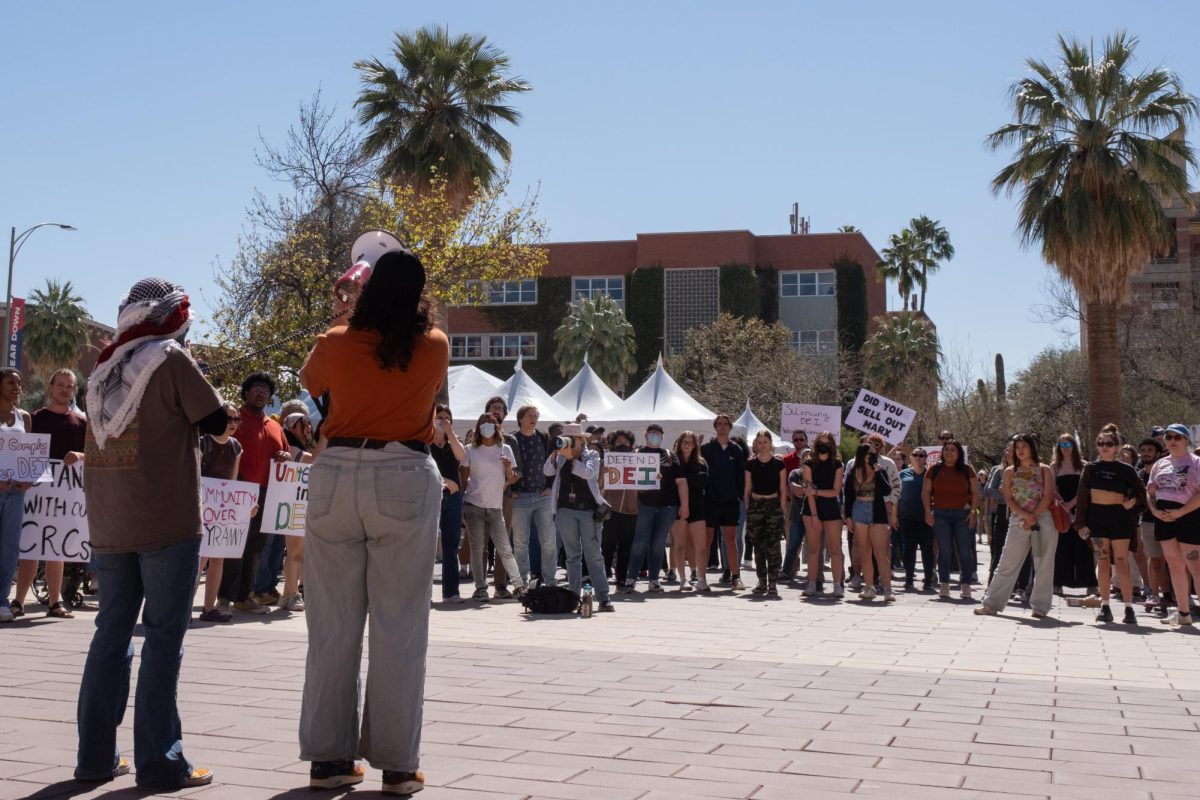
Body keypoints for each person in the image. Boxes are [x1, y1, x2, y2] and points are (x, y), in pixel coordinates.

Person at [297, 246, 445, 794]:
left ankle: (328, 759)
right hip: (404, 470)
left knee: (331, 624)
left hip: (337, 471)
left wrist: (343, 318)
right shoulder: (435, 345)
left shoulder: (334, 342)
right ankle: (397, 765)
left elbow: (313, 387)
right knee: (400, 624)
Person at [75, 278, 222, 788]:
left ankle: (94, 759)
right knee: (163, 642)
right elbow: (218, 422)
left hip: (110, 522)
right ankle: (160, 763)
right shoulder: (171, 359)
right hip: (166, 521)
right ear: (173, 317)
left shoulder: (103, 367)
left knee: (110, 637)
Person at [12, 368, 86, 619]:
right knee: (31, 548)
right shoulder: (34, 419)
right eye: (61, 385)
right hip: (35, 494)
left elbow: (95, 456)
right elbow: (21, 453)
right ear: (51, 387)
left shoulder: (81, 423)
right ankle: (18, 602)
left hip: (66, 498)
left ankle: (55, 603)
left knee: (58, 549)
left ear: (74, 391)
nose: (65, 390)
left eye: (70, 386)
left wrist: (80, 455)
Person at [218, 373, 288, 615]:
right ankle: (224, 598)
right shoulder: (233, 418)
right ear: (246, 392)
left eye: (265, 390)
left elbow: (286, 454)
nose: (261, 393)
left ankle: (245, 597)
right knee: (233, 546)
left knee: (256, 548)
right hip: (237, 490)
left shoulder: (276, 426)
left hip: (267, 492)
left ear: (270, 397)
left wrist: (284, 456)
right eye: (256, 388)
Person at [976, 433, 1057, 620]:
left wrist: (1034, 515)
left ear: (1032, 448)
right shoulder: (1009, 472)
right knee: (1006, 562)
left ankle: (1040, 607)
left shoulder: (1044, 469)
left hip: (1043, 518)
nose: (1019, 451)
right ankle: (991, 603)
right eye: (1016, 447)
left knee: (1043, 563)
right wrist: (1025, 516)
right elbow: (1008, 498)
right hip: (1018, 519)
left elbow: (1048, 496)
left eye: (1024, 447)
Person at [1075, 430, 1147, 625]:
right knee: (1103, 561)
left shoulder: (1126, 470)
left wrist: (1132, 503)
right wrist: (1080, 524)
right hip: (1097, 521)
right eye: (1100, 443)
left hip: (1120, 520)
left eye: (1108, 443)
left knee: (1122, 561)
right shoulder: (1090, 468)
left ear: (1116, 447)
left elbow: (1142, 495)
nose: (1104, 447)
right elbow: (1082, 498)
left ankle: (1129, 608)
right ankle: (1105, 606)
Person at [544, 423, 614, 612]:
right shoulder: (560, 456)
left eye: (572, 439)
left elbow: (589, 472)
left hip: (588, 511)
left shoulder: (592, 455)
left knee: (593, 554)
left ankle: (604, 597)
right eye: (566, 438)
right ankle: (573, 597)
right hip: (565, 510)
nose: (569, 442)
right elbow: (547, 471)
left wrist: (573, 460)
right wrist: (556, 452)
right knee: (572, 555)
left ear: (581, 440)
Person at [461, 413, 526, 602]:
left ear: (497, 426)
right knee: (477, 548)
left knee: (505, 548)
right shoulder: (469, 450)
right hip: (474, 504)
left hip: (495, 506)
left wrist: (507, 468)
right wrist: (460, 505)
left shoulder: (504, 449)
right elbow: (464, 477)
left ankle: (519, 586)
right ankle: (480, 588)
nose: (487, 426)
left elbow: (512, 478)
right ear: (478, 426)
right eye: (483, 423)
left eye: (491, 423)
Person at [1147, 424, 1200, 627]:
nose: (1172, 441)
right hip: (1164, 518)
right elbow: (1150, 491)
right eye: (1169, 437)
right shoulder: (1160, 464)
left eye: (1178, 437)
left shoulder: (1196, 462)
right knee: (1175, 565)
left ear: (1186, 440)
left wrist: (1182, 512)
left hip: (1189, 517)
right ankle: (1183, 613)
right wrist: (1155, 511)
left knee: (1195, 566)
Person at [624, 424, 687, 593]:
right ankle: (631, 578)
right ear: (645, 435)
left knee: (658, 544)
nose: (654, 436)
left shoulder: (669, 455)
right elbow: (627, 477)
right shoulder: (636, 454)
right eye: (651, 433)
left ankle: (654, 580)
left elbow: (681, 482)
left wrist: (684, 504)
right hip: (644, 505)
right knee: (639, 542)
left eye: (657, 433)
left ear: (662, 436)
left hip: (668, 506)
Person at [197, 403, 244, 622]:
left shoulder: (236, 447)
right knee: (199, 560)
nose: (233, 423)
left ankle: (209, 607)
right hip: (201, 508)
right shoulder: (203, 444)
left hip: (222, 510)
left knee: (218, 559)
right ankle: (184, 607)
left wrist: (241, 506)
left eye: (236, 419)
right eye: (229, 418)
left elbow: (232, 482)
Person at [922, 439, 978, 599]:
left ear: (959, 453)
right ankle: (944, 583)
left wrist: (973, 511)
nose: (949, 452)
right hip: (940, 514)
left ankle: (966, 583)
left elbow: (975, 493)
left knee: (964, 550)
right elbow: (925, 492)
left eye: (953, 450)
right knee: (944, 550)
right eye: (946, 449)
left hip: (963, 514)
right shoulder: (934, 469)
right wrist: (928, 512)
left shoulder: (967, 470)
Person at [508, 405, 557, 588]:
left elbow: (554, 463)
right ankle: (521, 583)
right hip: (520, 496)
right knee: (520, 542)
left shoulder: (544, 438)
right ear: (521, 418)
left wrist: (550, 487)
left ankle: (550, 580)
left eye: (536, 415)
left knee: (548, 540)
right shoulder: (512, 440)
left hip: (542, 495)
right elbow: (506, 466)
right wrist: (511, 490)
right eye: (530, 416)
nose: (533, 418)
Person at [0, 369, 34, 625]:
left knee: (10, 546)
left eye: (20, 383)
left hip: (15, 493)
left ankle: (2, 600)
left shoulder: (25, 418)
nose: (17, 386)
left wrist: (28, 479)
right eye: (11, 382)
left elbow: (30, 455)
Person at [844, 443, 895, 602]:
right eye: (870, 454)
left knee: (881, 553)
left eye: (875, 454)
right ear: (862, 456)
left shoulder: (880, 471)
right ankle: (869, 587)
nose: (874, 457)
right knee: (864, 553)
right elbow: (848, 496)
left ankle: (887, 589)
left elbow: (887, 490)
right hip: (859, 509)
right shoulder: (853, 473)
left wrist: (878, 472)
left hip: (877, 510)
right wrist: (848, 517)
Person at [701, 415, 747, 590]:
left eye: (725, 424)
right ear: (715, 427)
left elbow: (741, 476)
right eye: (719, 424)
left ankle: (736, 577)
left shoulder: (736, 450)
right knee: (707, 540)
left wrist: (740, 496)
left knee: (730, 540)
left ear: (729, 427)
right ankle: (701, 577)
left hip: (730, 502)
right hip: (710, 501)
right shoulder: (706, 449)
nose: (722, 427)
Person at [1052, 432, 1097, 598]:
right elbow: (1053, 489)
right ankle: (1058, 583)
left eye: (1068, 445)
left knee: (1084, 547)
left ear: (1074, 446)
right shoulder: (1054, 467)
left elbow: (1087, 489)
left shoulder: (1084, 465)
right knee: (1061, 547)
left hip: (1082, 511)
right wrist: (1064, 505)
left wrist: (1073, 503)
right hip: (1061, 511)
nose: (1065, 448)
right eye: (1061, 445)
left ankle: (1091, 584)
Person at [277, 413, 314, 612]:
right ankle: (290, 594)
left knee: (300, 552)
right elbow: (315, 459)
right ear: (292, 428)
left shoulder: (297, 448)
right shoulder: (292, 450)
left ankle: (291, 593)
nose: (309, 427)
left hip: (299, 504)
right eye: (304, 424)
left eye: (309, 423)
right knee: (295, 552)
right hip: (293, 505)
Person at [431, 404, 467, 603]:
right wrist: (444, 480)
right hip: (431, 496)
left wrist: (450, 433)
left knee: (451, 544)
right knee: (427, 546)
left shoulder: (454, 442)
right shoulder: (424, 443)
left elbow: (461, 457)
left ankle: (451, 592)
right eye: (439, 417)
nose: (442, 421)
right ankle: (424, 594)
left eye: (446, 418)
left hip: (453, 498)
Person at [744, 431, 787, 598]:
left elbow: (783, 488)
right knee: (758, 546)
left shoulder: (778, 464)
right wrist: (749, 508)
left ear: (770, 443)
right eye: (759, 442)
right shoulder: (751, 464)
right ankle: (761, 581)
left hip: (773, 505)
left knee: (773, 546)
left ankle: (773, 583)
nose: (762, 445)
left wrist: (782, 509)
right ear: (756, 444)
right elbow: (747, 488)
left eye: (765, 441)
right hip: (756, 505)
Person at [803, 431, 844, 598]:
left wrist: (817, 491)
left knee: (835, 549)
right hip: (811, 509)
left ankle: (837, 585)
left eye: (827, 443)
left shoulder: (837, 464)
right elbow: (808, 491)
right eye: (821, 442)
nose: (823, 446)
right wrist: (814, 515)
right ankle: (812, 583)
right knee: (813, 548)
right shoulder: (808, 463)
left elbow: (835, 492)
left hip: (831, 509)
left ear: (832, 445)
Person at [669, 431, 709, 592]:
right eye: (684, 441)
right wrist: (690, 479)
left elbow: (703, 481)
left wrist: (683, 479)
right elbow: (670, 483)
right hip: (677, 506)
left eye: (690, 442)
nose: (687, 445)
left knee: (701, 546)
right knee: (679, 544)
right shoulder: (672, 461)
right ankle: (683, 579)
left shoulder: (701, 462)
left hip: (698, 506)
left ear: (695, 445)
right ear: (679, 443)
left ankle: (701, 578)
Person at [601, 430, 638, 589]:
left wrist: (654, 479)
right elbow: (599, 486)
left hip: (631, 510)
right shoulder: (605, 462)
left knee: (625, 546)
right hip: (611, 508)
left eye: (626, 442)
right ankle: (603, 577)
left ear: (631, 444)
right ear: (612, 444)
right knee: (607, 545)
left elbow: (644, 489)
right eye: (618, 442)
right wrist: (603, 474)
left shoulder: (639, 461)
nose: (622, 444)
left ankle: (621, 578)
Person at [1136, 437, 1169, 613]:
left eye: (1150, 450)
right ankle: (1154, 594)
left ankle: (1172, 595)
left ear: (1157, 453)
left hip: (1168, 519)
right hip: (1147, 521)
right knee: (1154, 558)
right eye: (1143, 450)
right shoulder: (1138, 475)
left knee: (1171, 560)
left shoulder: (1165, 472)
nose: (1146, 453)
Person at [898, 448, 935, 592]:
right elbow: (896, 497)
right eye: (915, 455)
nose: (918, 457)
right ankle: (908, 579)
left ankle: (928, 579)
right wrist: (894, 516)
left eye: (921, 455)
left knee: (927, 549)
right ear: (910, 458)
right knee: (908, 549)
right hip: (907, 518)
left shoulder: (931, 475)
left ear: (925, 458)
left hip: (926, 518)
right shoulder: (902, 474)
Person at [780, 430, 809, 580]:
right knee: (791, 538)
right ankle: (791, 569)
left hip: (813, 506)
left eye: (801, 439)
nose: (798, 442)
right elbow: (785, 483)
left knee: (813, 542)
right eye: (796, 439)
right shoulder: (786, 459)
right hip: (791, 503)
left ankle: (815, 572)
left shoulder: (814, 459)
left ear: (806, 440)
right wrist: (786, 501)